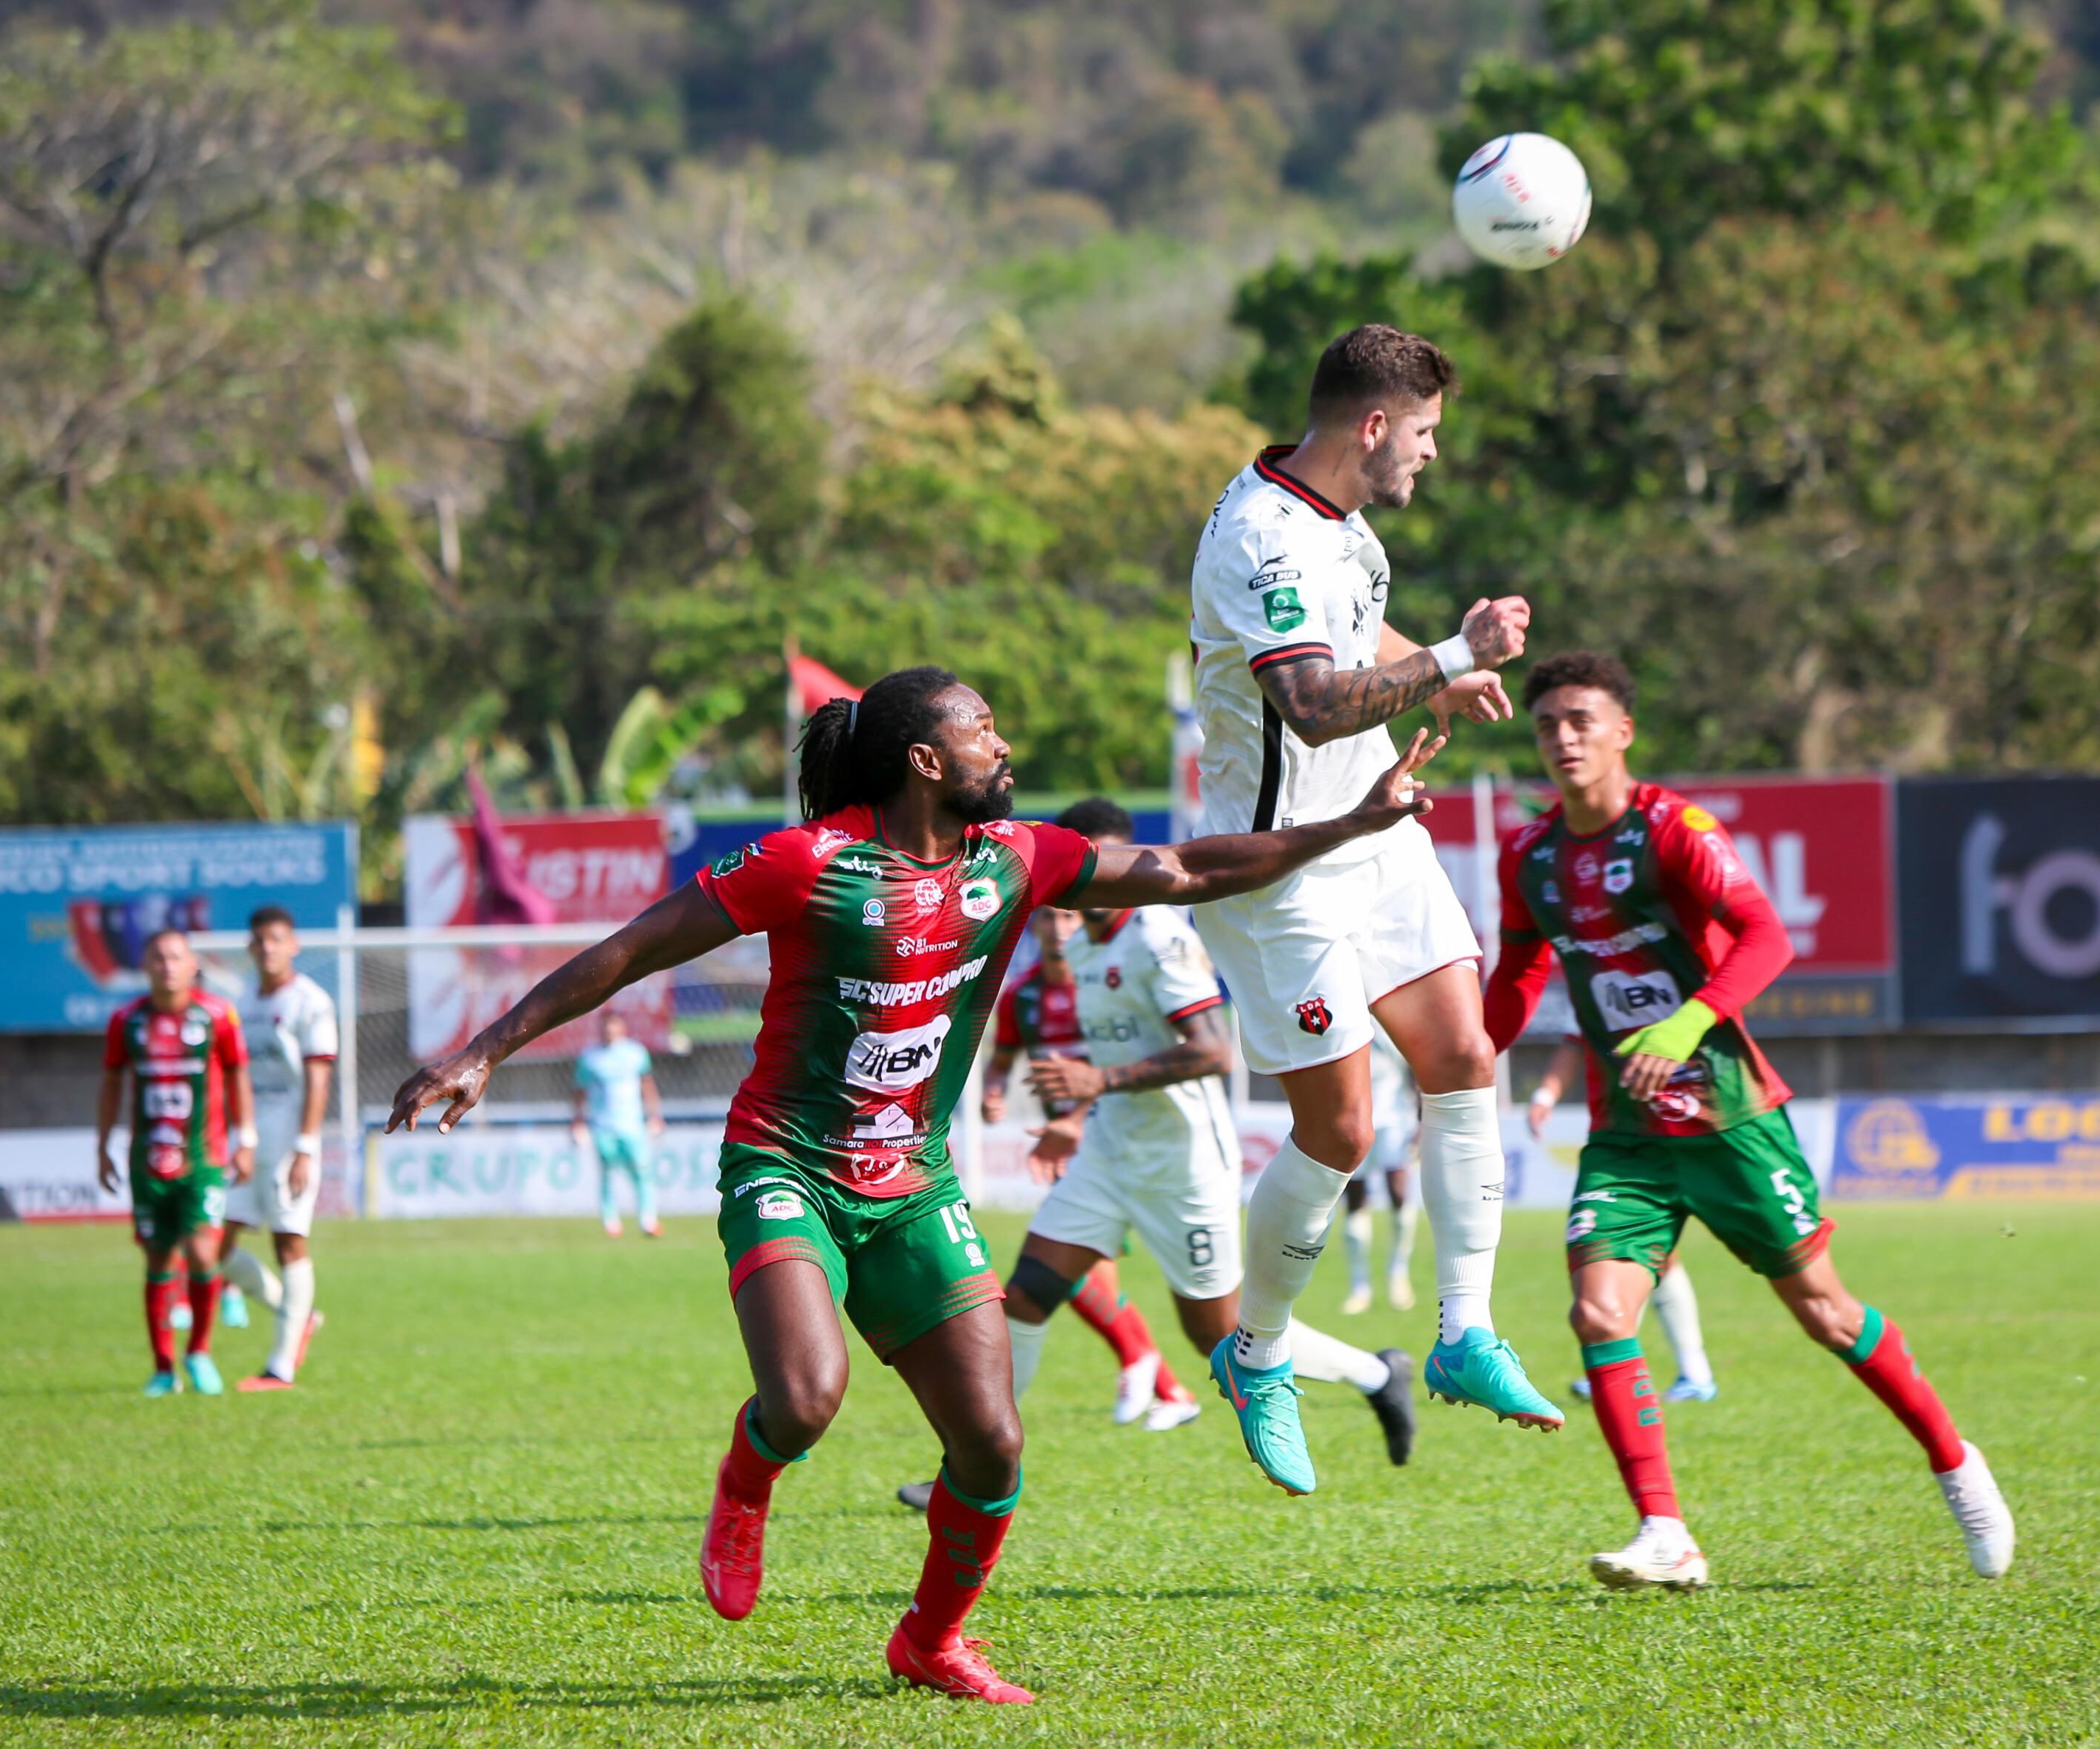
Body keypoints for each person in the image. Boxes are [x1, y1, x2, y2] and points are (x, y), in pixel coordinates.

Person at [388, 666, 1445, 1705]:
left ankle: (930, 1641)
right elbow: (630, 950)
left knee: (991, 1442)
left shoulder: (1016, 859)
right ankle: (745, 1480)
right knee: (804, 1399)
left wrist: (1352, 821)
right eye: (985, 729)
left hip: (916, 1181)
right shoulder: (807, 862)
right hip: (786, 1164)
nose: (1005, 747)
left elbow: (1187, 868)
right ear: (927, 760)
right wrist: (483, 1049)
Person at [1485, 652, 2015, 1591]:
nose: (1561, 739)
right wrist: (1464, 1057)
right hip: (1626, 1134)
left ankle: (1953, 1462)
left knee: (1823, 1312)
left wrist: (1684, 1020)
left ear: (1622, 733)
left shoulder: (1673, 830)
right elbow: (1521, 975)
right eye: (1546, 726)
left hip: (1730, 1116)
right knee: (1597, 1310)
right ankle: (1664, 1533)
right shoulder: (1529, 857)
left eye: (1580, 721)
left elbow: (1767, 936)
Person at [1188, 321, 1559, 1498]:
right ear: (1373, 425)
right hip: (1281, 868)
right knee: (1341, 1133)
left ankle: (1462, 1333)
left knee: (1462, 1052)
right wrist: (1455, 644)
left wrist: (1437, 667)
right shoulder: (1259, 537)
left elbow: (1357, 642)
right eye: (1427, 434)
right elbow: (1305, 701)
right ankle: (1256, 1356)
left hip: (1375, 832)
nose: (1431, 456)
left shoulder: (1339, 527)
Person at [903, 797, 1415, 1512]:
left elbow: (1211, 1050)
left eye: (1105, 863)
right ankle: (972, 1469)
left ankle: (1375, 1373)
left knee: (1219, 1333)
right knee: (1023, 1295)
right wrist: (1083, 1113)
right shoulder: (1079, 940)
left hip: (1182, 1165)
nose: (1094, 881)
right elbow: (1115, 1052)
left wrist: (1097, 1082)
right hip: (1110, 1151)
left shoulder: (1158, 937)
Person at [981, 905, 1199, 1431]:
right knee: (1071, 1276)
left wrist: (1080, 1115)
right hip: (1067, 1149)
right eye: (1047, 919)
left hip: (1120, 1143)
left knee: (1066, 1276)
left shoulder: (1101, 983)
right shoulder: (1023, 996)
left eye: (1069, 919)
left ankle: (1148, 1368)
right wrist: (993, 1091)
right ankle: (1167, 1387)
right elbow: (1003, 1058)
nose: (1057, 930)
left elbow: (1120, 1066)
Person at [98, 930, 255, 1398]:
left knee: (203, 1252)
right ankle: (163, 1367)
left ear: (192, 966)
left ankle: (199, 1353)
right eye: (158, 957)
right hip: (148, 1162)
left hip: (202, 1159)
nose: (167, 965)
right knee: (158, 1257)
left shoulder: (217, 1015)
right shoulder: (127, 1021)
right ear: (144, 966)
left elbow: (237, 1075)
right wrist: (102, 1144)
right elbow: (111, 1083)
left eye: (175, 957)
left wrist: (245, 1140)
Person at [1533, 1048, 1716, 1405]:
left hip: (1670, 1130)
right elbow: (1574, 1040)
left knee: (1639, 1249)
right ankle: (1684, 1372)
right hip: (1630, 1129)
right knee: (1652, 1252)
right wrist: (1546, 1095)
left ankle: (1624, 1366)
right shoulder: (1594, 997)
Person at [218, 905, 335, 1389]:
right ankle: (299, 1316)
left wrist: (306, 1146)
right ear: (250, 948)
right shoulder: (243, 1001)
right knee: (214, 1248)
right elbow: (237, 1075)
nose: (268, 947)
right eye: (260, 940)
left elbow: (318, 1077)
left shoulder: (311, 1001)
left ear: (294, 945)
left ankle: (280, 1367)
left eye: (277, 939)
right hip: (246, 1138)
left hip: (289, 1136)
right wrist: (238, 1135)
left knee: (288, 1241)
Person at [1339, 1033, 1419, 1315]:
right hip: (1354, 1119)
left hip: (1396, 1118)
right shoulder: (1344, 1008)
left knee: (1399, 1194)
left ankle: (1399, 1276)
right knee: (1356, 1201)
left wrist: (1422, 1116)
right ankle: (1359, 1287)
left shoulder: (1389, 1008)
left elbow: (1416, 1064)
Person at [573, 1012, 664, 1238]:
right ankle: (610, 1221)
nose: (610, 1033)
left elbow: (647, 1084)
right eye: (606, 1029)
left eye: (614, 1028)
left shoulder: (636, 1053)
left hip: (632, 1125)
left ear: (622, 1029)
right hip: (603, 1125)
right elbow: (580, 1092)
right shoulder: (590, 1058)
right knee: (607, 1172)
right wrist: (578, 1120)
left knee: (642, 1171)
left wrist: (655, 1115)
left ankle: (648, 1220)